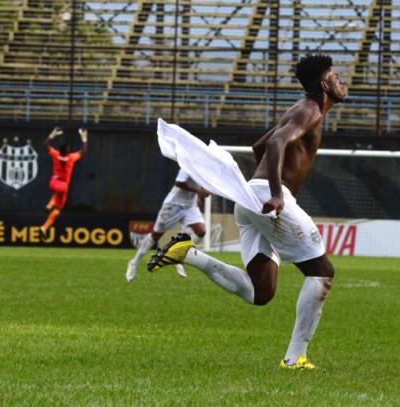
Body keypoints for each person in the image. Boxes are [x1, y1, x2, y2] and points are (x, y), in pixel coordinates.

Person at [148, 54, 347, 369]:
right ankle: (295, 358)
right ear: (325, 83)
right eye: (337, 76)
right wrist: (278, 193)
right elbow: (275, 143)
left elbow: (260, 145)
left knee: (261, 292)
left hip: (252, 198)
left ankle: (188, 254)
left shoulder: (299, 108)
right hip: (268, 198)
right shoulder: (310, 110)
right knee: (322, 272)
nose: (342, 81)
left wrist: (262, 187)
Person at [126, 168, 210, 282]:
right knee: (156, 235)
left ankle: (177, 256)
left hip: (190, 206)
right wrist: (198, 191)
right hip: (173, 205)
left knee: (201, 231)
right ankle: (134, 263)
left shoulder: (205, 169)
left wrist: (201, 195)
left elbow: (202, 187)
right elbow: (179, 183)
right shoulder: (187, 165)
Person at [41, 127, 88, 238]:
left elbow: (45, 145)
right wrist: (84, 137)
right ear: (67, 152)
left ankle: (49, 205)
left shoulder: (56, 154)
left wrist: (52, 135)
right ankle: (44, 227)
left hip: (53, 182)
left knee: (55, 194)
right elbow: (84, 151)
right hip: (63, 186)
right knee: (58, 209)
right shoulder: (71, 158)